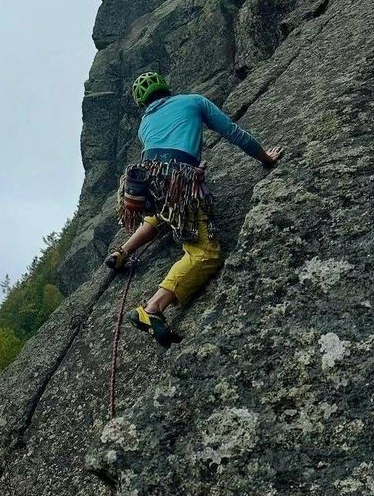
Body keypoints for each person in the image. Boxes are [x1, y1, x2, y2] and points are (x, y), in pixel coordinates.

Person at [105, 71, 282, 347]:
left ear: (143, 102)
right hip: (180, 180)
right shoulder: (194, 101)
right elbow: (234, 133)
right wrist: (265, 157)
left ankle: (122, 252)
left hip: (150, 182)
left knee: (163, 212)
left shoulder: (145, 124)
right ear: (167, 88)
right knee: (205, 253)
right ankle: (151, 310)